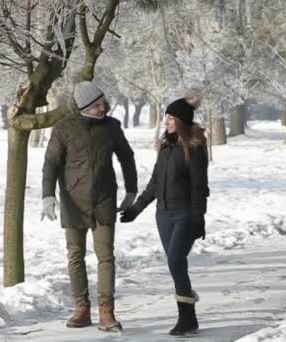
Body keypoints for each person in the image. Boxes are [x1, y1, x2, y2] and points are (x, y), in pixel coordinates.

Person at [41, 81, 138, 332]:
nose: (102, 108)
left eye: (103, 103)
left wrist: (131, 190)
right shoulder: (64, 128)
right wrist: (47, 196)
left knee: (106, 256)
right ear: (84, 106)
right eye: (97, 105)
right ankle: (81, 308)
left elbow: (127, 157)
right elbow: (51, 163)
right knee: (75, 255)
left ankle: (107, 312)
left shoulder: (112, 127)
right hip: (74, 201)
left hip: (104, 200)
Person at [119, 97, 209, 336]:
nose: (166, 121)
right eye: (166, 117)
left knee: (175, 261)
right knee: (177, 265)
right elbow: (155, 183)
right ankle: (190, 319)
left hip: (185, 214)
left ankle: (186, 317)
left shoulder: (195, 147)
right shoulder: (165, 147)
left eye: (171, 118)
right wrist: (136, 209)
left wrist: (198, 218)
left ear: (181, 121)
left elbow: (200, 186)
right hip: (163, 215)